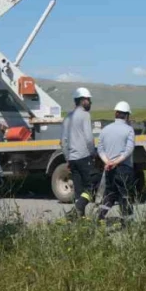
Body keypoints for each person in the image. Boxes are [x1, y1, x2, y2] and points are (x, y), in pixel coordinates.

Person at [95, 101, 136, 223]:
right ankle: (127, 223)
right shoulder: (129, 130)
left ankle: (99, 219)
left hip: (109, 168)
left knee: (109, 196)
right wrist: (116, 162)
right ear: (127, 115)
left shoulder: (105, 130)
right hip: (124, 168)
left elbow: (100, 149)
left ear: (115, 113)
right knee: (125, 196)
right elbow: (128, 150)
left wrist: (108, 162)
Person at [61, 87, 99, 219]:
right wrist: (93, 152)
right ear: (82, 100)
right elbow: (89, 138)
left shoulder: (68, 117)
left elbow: (63, 140)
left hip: (72, 158)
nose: (90, 102)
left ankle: (80, 220)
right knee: (91, 186)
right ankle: (77, 208)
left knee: (78, 191)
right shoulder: (85, 115)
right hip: (84, 156)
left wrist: (67, 158)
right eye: (88, 100)